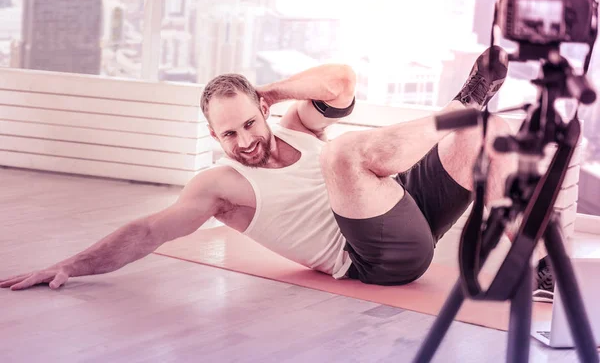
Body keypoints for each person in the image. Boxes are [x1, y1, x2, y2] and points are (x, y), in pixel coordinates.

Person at [0, 46, 554, 298]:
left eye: (247, 123)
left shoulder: (290, 123)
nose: (243, 142)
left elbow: (341, 80)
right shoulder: (220, 187)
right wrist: (71, 265)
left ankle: (540, 269)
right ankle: (463, 103)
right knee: (343, 154)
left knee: (491, 141)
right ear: (214, 139)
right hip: (378, 258)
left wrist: (275, 92)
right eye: (228, 134)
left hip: (405, 204)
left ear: (261, 109)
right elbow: (149, 230)